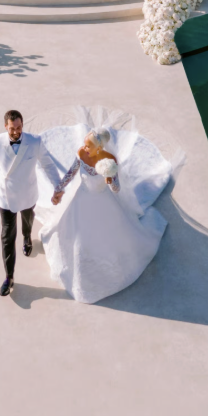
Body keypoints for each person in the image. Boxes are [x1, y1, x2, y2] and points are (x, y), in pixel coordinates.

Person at [39, 124, 168, 305]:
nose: (85, 147)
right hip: (81, 201)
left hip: (103, 203)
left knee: (106, 237)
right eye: (85, 144)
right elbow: (71, 173)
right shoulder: (81, 153)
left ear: (99, 147)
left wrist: (110, 180)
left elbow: (116, 189)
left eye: (89, 145)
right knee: (77, 236)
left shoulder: (110, 160)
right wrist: (58, 189)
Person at [0, 110, 61, 297]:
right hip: (6, 195)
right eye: (12, 129)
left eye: (19, 128)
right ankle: (9, 277)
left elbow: (48, 164)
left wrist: (57, 187)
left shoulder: (34, 141)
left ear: (22, 125)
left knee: (27, 220)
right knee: (7, 236)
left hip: (27, 193)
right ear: (5, 127)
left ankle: (27, 237)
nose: (16, 132)